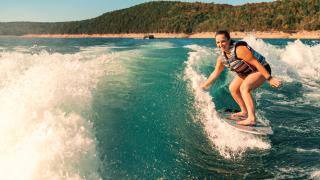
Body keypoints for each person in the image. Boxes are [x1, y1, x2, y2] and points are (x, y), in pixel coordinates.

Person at [201, 30, 281, 126]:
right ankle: (244, 111)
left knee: (244, 87)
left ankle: (252, 118)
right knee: (233, 88)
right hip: (247, 72)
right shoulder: (222, 58)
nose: (220, 44)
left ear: (229, 40)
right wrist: (204, 86)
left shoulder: (239, 50)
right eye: (218, 42)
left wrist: (270, 79)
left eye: (223, 41)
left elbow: (256, 63)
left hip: (262, 70)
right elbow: (215, 73)